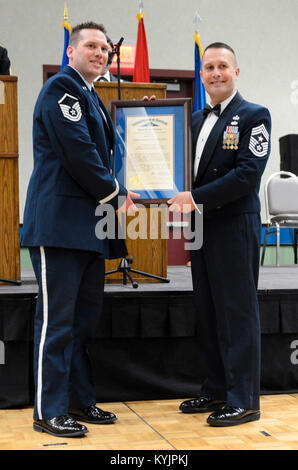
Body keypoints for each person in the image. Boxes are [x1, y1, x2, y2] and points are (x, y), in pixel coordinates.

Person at [22, 21, 139, 438]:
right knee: (56, 323)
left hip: (89, 229)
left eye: (104, 48)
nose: (100, 52)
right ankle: (48, 410)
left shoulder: (91, 95)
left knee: (83, 323)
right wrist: (116, 192)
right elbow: (79, 154)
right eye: (90, 45)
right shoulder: (62, 90)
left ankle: (79, 400)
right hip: (60, 227)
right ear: (70, 52)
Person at [168, 42, 271, 427]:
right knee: (208, 310)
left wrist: (194, 198)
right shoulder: (193, 120)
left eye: (222, 66)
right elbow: (173, 162)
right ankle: (216, 389)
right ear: (202, 74)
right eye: (209, 67)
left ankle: (243, 399)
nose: (215, 73)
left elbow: (246, 177)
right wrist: (151, 116)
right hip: (201, 228)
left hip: (234, 225)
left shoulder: (255, 116)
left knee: (237, 313)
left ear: (236, 72)